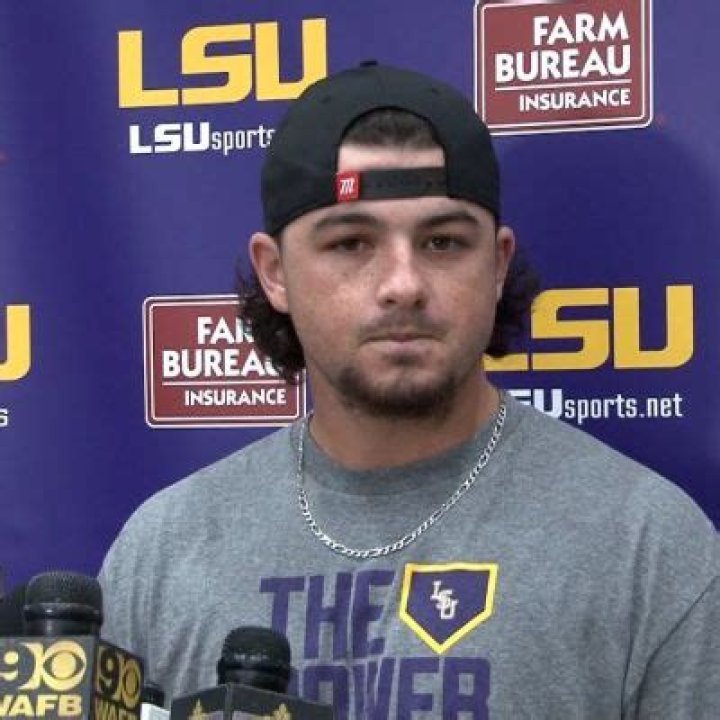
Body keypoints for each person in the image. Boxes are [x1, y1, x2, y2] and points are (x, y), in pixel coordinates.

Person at [99, 63, 719, 719]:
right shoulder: (162, 552)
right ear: (275, 273)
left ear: (498, 264)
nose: (403, 284)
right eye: (351, 243)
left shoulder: (645, 545)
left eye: (443, 242)